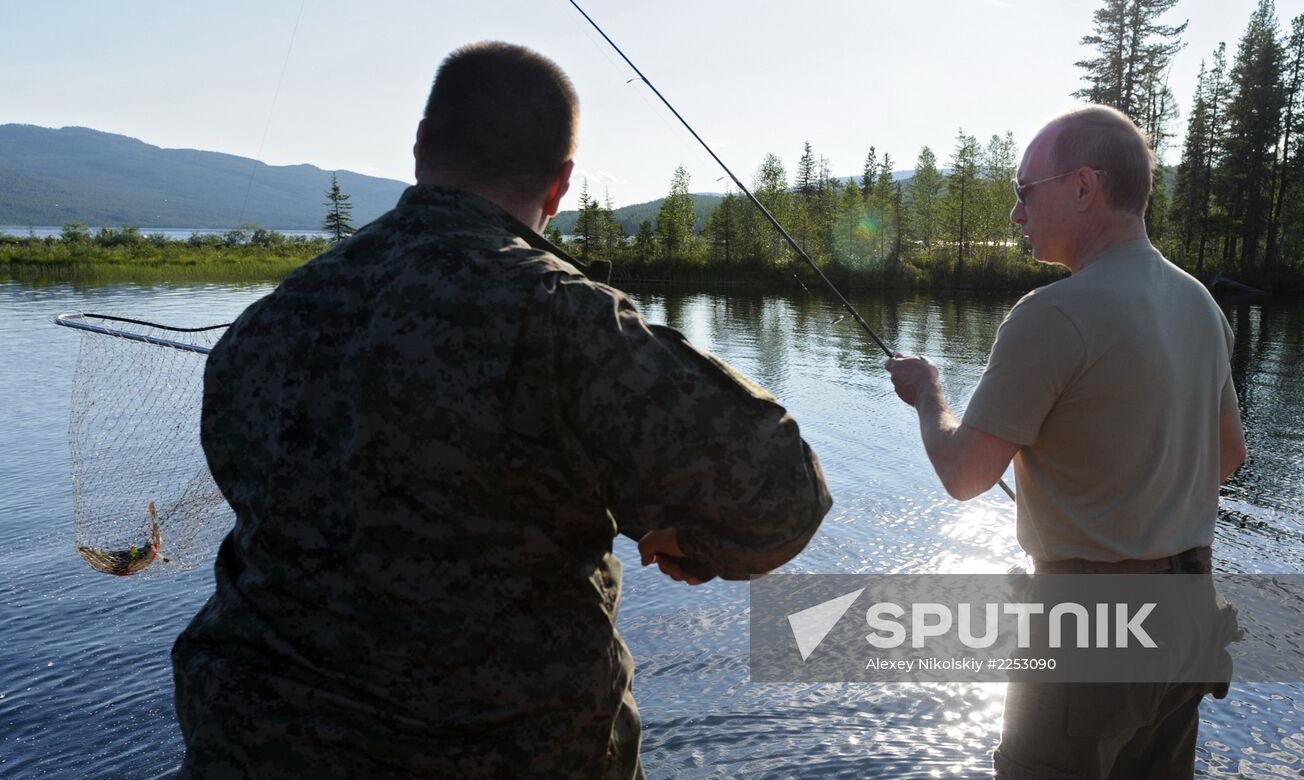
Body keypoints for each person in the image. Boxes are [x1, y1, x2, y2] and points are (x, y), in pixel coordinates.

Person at [172, 41, 832, 778]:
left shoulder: (264, 324)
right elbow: (786, 495)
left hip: (254, 750)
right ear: (560, 186)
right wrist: (696, 546)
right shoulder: (569, 321)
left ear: (421, 147)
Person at [885, 105, 1247, 779]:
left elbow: (965, 474)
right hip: (1191, 618)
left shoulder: (1050, 314)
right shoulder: (1200, 302)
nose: (1017, 216)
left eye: (1024, 192)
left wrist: (928, 392)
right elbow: (1227, 457)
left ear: (1085, 187)